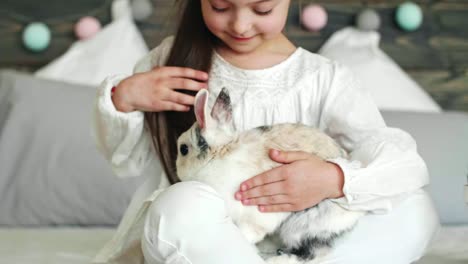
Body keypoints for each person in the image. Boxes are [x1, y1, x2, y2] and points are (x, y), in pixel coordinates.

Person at [92, 0, 439, 263]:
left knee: (414, 207)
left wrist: (335, 178)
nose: (241, 24)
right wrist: (124, 99)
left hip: (298, 240)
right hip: (204, 243)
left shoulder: (324, 79)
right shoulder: (171, 61)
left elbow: (400, 163)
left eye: (262, 8)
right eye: (220, 6)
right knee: (178, 205)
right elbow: (127, 160)